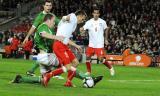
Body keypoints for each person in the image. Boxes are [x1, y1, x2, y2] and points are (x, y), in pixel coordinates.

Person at [42, 10, 103, 87]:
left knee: (75, 62)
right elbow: (66, 18)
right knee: (68, 67)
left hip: (64, 45)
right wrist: (64, 18)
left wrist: (76, 46)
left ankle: (68, 81)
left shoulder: (73, 25)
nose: (82, 21)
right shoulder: (73, 17)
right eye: (83, 19)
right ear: (79, 15)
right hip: (59, 45)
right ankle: (48, 75)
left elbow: (66, 39)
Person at [23, 0, 60, 76]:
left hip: (51, 40)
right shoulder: (40, 16)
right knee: (46, 56)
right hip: (43, 40)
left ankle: (44, 73)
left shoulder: (52, 16)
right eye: (47, 5)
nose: (48, 7)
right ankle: (48, 73)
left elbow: (60, 23)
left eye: (50, 5)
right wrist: (27, 36)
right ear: (43, 6)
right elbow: (33, 27)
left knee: (48, 57)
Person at [80, 7, 115, 76]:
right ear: (92, 14)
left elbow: (106, 29)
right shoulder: (89, 22)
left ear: (99, 14)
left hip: (99, 43)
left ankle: (111, 68)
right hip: (91, 44)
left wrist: (106, 39)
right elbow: (83, 28)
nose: (96, 14)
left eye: (97, 13)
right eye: (95, 13)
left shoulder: (102, 22)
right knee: (87, 57)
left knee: (100, 59)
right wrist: (81, 30)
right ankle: (89, 71)